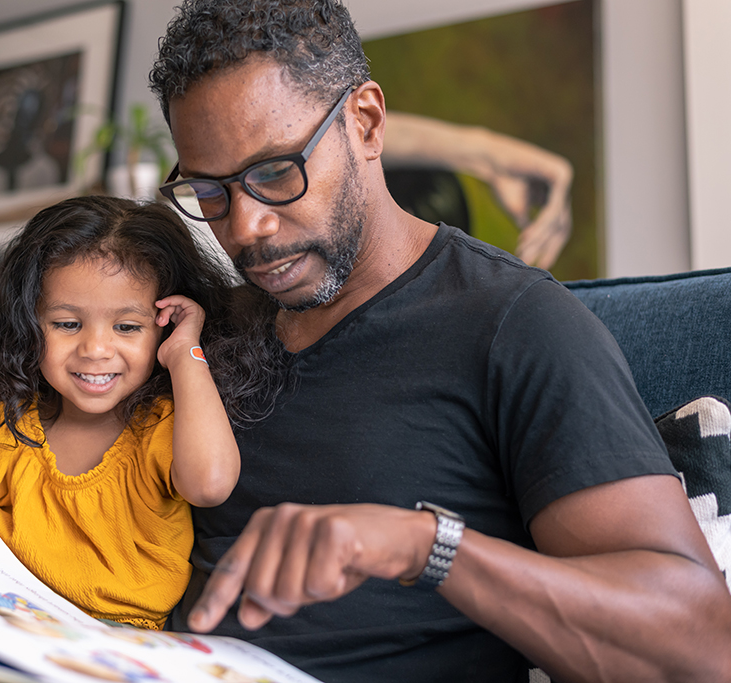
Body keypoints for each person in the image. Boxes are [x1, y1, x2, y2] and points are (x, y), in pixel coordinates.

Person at [145, 0, 731, 681]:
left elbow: (701, 650)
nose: (245, 228)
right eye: (210, 191)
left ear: (365, 122)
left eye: (276, 172)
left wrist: (428, 546)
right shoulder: (199, 330)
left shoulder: (513, 323)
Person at [0, 195, 281, 631]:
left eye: (127, 327)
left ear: (163, 327)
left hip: (123, 643)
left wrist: (186, 352)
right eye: (67, 324)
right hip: (7, 624)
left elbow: (210, 485)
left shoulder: (164, 426)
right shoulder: (1, 430)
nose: (94, 349)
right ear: (29, 326)